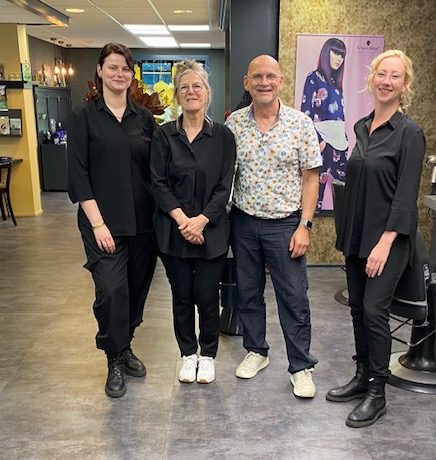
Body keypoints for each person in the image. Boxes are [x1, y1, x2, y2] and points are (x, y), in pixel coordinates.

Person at [328, 50, 426, 427]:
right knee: (357, 308)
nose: (386, 81)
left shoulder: (409, 133)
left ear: (404, 84)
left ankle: (377, 392)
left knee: (374, 311)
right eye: (381, 74)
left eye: (395, 76)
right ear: (372, 79)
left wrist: (384, 242)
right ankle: (362, 375)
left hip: (389, 240)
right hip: (357, 235)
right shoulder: (362, 126)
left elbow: (405, 195)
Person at [225, 55, 322, 398]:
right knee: (248, 292)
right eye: (257, 77)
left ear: (281, 81)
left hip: (286, 225)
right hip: (243, 222)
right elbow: (226, 175)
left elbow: (311, 178)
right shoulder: (234, 125)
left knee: (293, 297)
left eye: (270, 76)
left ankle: (301, 366)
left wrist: (305, 225)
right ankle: (256, 350)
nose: (264, 82)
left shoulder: (300, 124)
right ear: (247, 83)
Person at [68, 43, 158, 398]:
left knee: (136, 290)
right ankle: (113, 359)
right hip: (102, 223)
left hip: (143, 222)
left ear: (131, 75)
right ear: (100, 71)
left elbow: (156, 171)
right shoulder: (84, 115)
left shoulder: (144, 118)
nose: (120, 74)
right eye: (113, 67)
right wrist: (98, 224)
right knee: (111, 291)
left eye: (125, 68)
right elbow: (78, 174)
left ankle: (125, 345)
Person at [150, 61, 236, 384]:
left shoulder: (223, 136)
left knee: (207, 296)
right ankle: (188, 354)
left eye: (196, 86)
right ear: (177, 95)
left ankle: (208, 355)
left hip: (212, 231)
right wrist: (184, 221)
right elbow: (158, 183)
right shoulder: (164, 135)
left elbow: (224, 186)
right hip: (173, 232)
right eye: (184, 87)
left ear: (207, 93)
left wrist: (200, 221)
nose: (191, 92)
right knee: (182, 295)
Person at [301, 38, 348, 210]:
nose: (339, 59)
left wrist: (345, 139)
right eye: (336, 53)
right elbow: (305, 113)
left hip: (340, 144)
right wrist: (319, 140)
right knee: (315, 196)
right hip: (322, 143)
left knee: (345, 196)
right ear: (326, 52)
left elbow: (340, 116)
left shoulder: (337, 84)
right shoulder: (313, 78)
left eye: (342, 55)